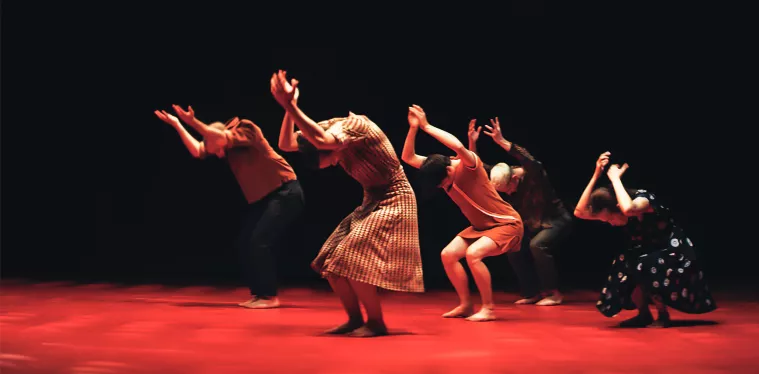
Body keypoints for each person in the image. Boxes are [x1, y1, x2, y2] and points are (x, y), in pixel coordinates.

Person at [270, 70, 424, 337]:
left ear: (335, 149)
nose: (333, 165)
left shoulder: (354, 129)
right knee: (330, 261)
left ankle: (376, 322)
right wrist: (288, 108)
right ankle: (354, 319)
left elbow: (320, 140)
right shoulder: (329, 129)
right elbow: (286, 143)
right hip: (371, 200)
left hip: (396, 199)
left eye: (329, 161)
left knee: (350, 258)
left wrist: (291, 104)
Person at [153, 105, 305, 309]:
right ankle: (259, 294)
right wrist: (177, 124)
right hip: (267, 197)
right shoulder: (226, 145)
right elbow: (198, 150)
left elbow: (219, 138)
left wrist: (193, 122)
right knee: (246, 242)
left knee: (259, 240)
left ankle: (269, 296)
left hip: (285, 191)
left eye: (214, 148)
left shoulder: (247, 129)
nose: (215, 155)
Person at [401, 105, 524, 322]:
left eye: (442, 183)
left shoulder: (470, 166)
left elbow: (458, 145)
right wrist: (413, 128)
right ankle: (466, 305)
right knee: (448, 255)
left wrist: (427, 126)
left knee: (473, 255)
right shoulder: (436, 168)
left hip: (506, 223)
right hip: (481, 228)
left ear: (449, 170)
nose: (442, 187)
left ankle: (488, 308)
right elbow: (408, 157)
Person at [574, 152, 717, 327]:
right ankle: (644, 314)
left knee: (644, 263)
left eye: (609, 219)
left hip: (675, 253)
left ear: (616, 207)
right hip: (650, 251)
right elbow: (579, 212)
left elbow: (628, 209)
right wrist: (597, 173)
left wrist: (615, 179)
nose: (610, 224)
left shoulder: (643, 201)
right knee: (625, 260)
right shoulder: (615, 207)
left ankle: (663, 315)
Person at [468, 118, 573, 306]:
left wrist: (501, 141)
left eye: (508, 189)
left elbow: (530, 159)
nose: (508, 194)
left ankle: (553, 293)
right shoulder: (500, 174)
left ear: (515, 178)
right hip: (531, 222)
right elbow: (479, 168)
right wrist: (472, 143)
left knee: (537, 245)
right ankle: (531, 292)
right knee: (513, 245)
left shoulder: (534, 175)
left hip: (554, 219)